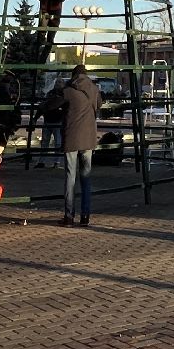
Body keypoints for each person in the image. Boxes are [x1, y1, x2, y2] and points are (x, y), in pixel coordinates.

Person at [58, 64, 102, 227]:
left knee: (70, 177)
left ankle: (69, 217)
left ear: (73, 75)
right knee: (86, 178)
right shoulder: (94, 89)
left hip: (72, 138)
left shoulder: (68, 91)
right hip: (89, 139)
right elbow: (99, 105)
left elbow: (54, 104)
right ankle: (85, 216)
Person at [32, 77, 69, 168]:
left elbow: (43, 106)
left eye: (60, 82)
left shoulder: (51, 94)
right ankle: (53, 162)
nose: (58, 84)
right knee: (54, 142)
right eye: (57, 82)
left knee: (52, 142)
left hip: (53, 121)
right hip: (54, 121)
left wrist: (35, 118)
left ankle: (47, 161)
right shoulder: (63, 95)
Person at [0, 70, 22, 149]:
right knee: (0, 143)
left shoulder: (2, 88)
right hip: (4, 120)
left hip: (3, 120)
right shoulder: (7, 89)